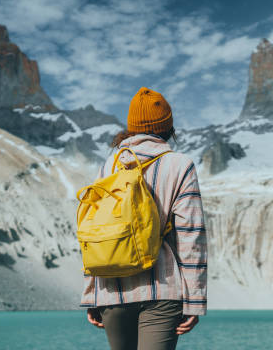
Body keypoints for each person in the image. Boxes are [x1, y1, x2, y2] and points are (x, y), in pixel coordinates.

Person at [81, 87, 207, 350]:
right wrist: (195, 301)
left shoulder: (108, 166)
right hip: (161, 289)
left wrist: (92, 294)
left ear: (130, 127)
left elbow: (94, 232)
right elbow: (190, 236)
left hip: (111, 290)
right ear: (167, 127)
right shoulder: (180, 165)